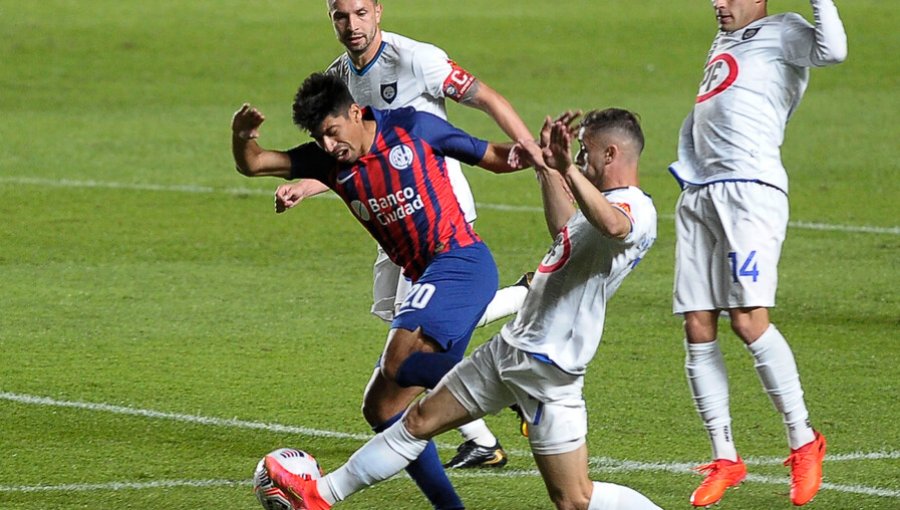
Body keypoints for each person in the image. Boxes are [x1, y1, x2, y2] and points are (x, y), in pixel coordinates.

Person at [262, 108, 661, 510]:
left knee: (574, 499)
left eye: (582, 151)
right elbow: (565, 229)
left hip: (548, 365)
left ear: (610, 155)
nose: (576, 158)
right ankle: (319, 497)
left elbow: (613, 226)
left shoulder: (635, 209)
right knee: (417, 422)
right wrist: (547, 170)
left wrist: (569, 173)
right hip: (514, 349)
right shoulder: (604, 203)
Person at [243, 0, 543, 471]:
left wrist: (530, 149)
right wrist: (309, 184)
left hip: (437, 210)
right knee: (403, 323)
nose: (352, 25)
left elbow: (486, 96)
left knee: (409, 343)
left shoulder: (416, 59)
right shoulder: (338, 80)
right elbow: (352, 152)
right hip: (390, 216)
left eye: (361, 12)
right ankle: (519, 310)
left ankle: (485, 419)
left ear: (379, 11)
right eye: (341, 16)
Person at [668, 0, 847, 506]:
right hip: (701, 191)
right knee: (698, 322)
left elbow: (833, 51)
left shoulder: (785, 30)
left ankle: (804, 439)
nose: (718, 3)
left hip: (750, 190)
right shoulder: (723, 39)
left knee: (748, 319)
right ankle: (725, 456)